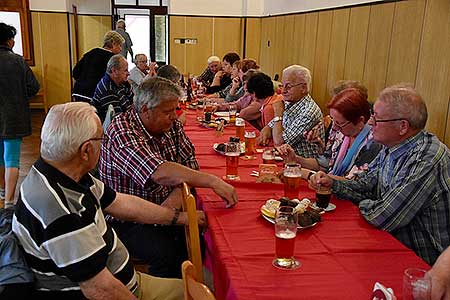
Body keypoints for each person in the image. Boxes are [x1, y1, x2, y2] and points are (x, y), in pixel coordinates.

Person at [12, 102, 196, 299]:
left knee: (191, 288)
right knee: (194, 294)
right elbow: (100, 289)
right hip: (116, 289)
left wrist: (181, 218)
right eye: (102, 138)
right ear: (86, 151)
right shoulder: (59, 209)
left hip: (123, 279)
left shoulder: (62, 172)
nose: (106, 143)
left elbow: (121, 203)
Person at [99, 77, 238, 278]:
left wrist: (171, 205)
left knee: (201, 240)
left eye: (175, 109)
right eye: (168, 111)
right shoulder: (122, 132)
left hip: (163, 207)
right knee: (170, 256)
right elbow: (160, 172)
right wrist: (211, 181)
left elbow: (189, 161)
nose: (175, 116)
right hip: (127, 219)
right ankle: (167, 288)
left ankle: (191, 287)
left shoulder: (168, 124)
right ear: (145, 109)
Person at [310, 84, 450, 265]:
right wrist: (332, 183)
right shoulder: (390, 147)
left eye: (377, 119)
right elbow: (364, 184)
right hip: (388, 241)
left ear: (402, 126)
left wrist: (366, 201)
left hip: (422, 261)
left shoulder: (427, 158)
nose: (370, 123)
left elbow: (384, 216)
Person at [277, 87, 381, 180]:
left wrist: (309, 175)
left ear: (360, 121)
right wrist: (295, 159)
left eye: (340, 123)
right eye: (333, 120)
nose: (334, 127)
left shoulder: (372, 143)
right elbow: (324, 163)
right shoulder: (340, 132)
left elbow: (355, 183)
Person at [0, 23, 40, 208]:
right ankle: (9, 201)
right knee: (12, 159)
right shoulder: (17, 61)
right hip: (13, 117)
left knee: (0, 157)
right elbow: (33, 87)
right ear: (9, 41)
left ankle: (1, 189)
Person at [257, 65, 324, 158]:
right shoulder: (290, 102)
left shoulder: (309, 111)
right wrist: (268, 128)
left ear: (303, 88)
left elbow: (279, 143)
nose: (283, 91)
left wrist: (278, 114)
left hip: (300, 165)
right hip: (284, 157)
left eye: (288, 87)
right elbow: (268, 128)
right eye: (282, 85)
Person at [72, 31, 124, 102]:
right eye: (120, 45)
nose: (121, 49)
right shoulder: (113, 58)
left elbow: (75, 73)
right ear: (113, 43)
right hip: (94, 95)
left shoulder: (91, 52)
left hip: (78, 92)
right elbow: (117, 79)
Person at [91, 54, 133, 122]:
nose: (128, 73)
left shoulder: (122, 83)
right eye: (125, 70)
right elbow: (118, 119)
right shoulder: (107, 89)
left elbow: (135, 102)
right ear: (114, 71)